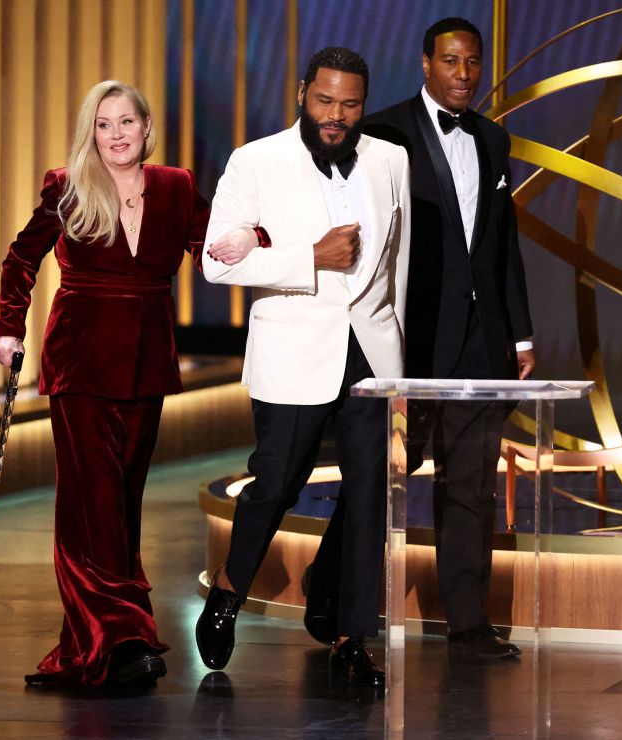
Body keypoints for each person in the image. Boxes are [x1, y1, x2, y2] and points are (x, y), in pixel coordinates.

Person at [0, 80, 249, 688]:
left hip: (147, 361)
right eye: (103, 125)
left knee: (118, 505)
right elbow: (22, 258)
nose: (115, 135)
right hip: (79, 360)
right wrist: (7, 328)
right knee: (94, 500)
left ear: (146, 128)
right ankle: (128, 636)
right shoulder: (68, 185)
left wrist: (253, 240)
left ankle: (89, 643)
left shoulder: (177, 186)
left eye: (125, 122)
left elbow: (213, 248)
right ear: (91, 131)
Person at [195, 47, 410, 687]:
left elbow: (398, 269)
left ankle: (350, 633)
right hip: (294, 349)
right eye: (325, 101)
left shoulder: (389, 159)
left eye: (349, 104)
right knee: (278, 482)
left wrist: (399, 368)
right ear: (301, 94)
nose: (336, 116)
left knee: (371, 492)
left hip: (371, 353)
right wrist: (308, 257)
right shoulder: (255, 161)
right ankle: (231, 587)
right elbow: (216, 262)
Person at [359, 17, 535, 659]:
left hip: (479, 343)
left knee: (471, 484)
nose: (464, 74)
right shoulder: (383, 130)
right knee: (375, 481)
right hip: (407, 338)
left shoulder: (493, 138)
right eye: (452, 62)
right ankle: (348, 613)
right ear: (426, 63)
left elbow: (501, 247)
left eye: (473, 63)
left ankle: (467, 621)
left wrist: (519, 336)